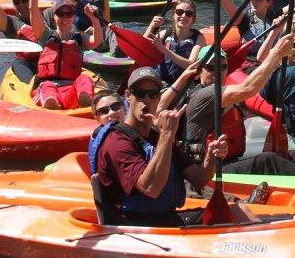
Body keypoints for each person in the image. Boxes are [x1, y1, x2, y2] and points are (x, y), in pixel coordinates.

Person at [162, 35, 295, 177]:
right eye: (211, 68)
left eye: (222, 67)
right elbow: (248, 88)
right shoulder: (203, 94)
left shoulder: (224, 93)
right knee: (268, 160)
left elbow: (250, 87)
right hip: (207, 171)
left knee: (291, 155)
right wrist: (276, 54)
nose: (217, 72)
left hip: (228, 160)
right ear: (198, 72)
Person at [90, 66, 231, 226]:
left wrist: (211, 157)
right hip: (131, 225)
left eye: (153, 94)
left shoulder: (156, 136)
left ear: (159, 98)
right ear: (128, 96)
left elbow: (199, 179)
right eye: (140, 93)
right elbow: (151, 188)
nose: (146, 100)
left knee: (235, 213)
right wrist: (166, 134)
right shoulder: (116, 141)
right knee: (226, 219)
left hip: (162, 218)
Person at [29, 0, 103, 109]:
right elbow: (33, 9)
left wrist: (94, 19)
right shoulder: (45, 34)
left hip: (70, 90)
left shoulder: (78, 38)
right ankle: (51, 102)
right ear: (54, 17)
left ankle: (86, 101)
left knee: (84, 79)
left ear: (74, 16)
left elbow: (97, 41)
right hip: (48, 85)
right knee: (47, 86)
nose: (65, 17)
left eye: (69, 14)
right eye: (60, 14)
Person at [143, 0, 203, 85]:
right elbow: (142, 47)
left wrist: (163, 49)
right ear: (173, 15)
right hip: (161, 83)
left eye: (189, 13)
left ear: (193, 18)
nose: (184, 16)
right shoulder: (165, 34)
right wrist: (151, 26)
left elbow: (191, 65)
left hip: (184, 86)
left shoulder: (198, 38)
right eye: (179, 12)